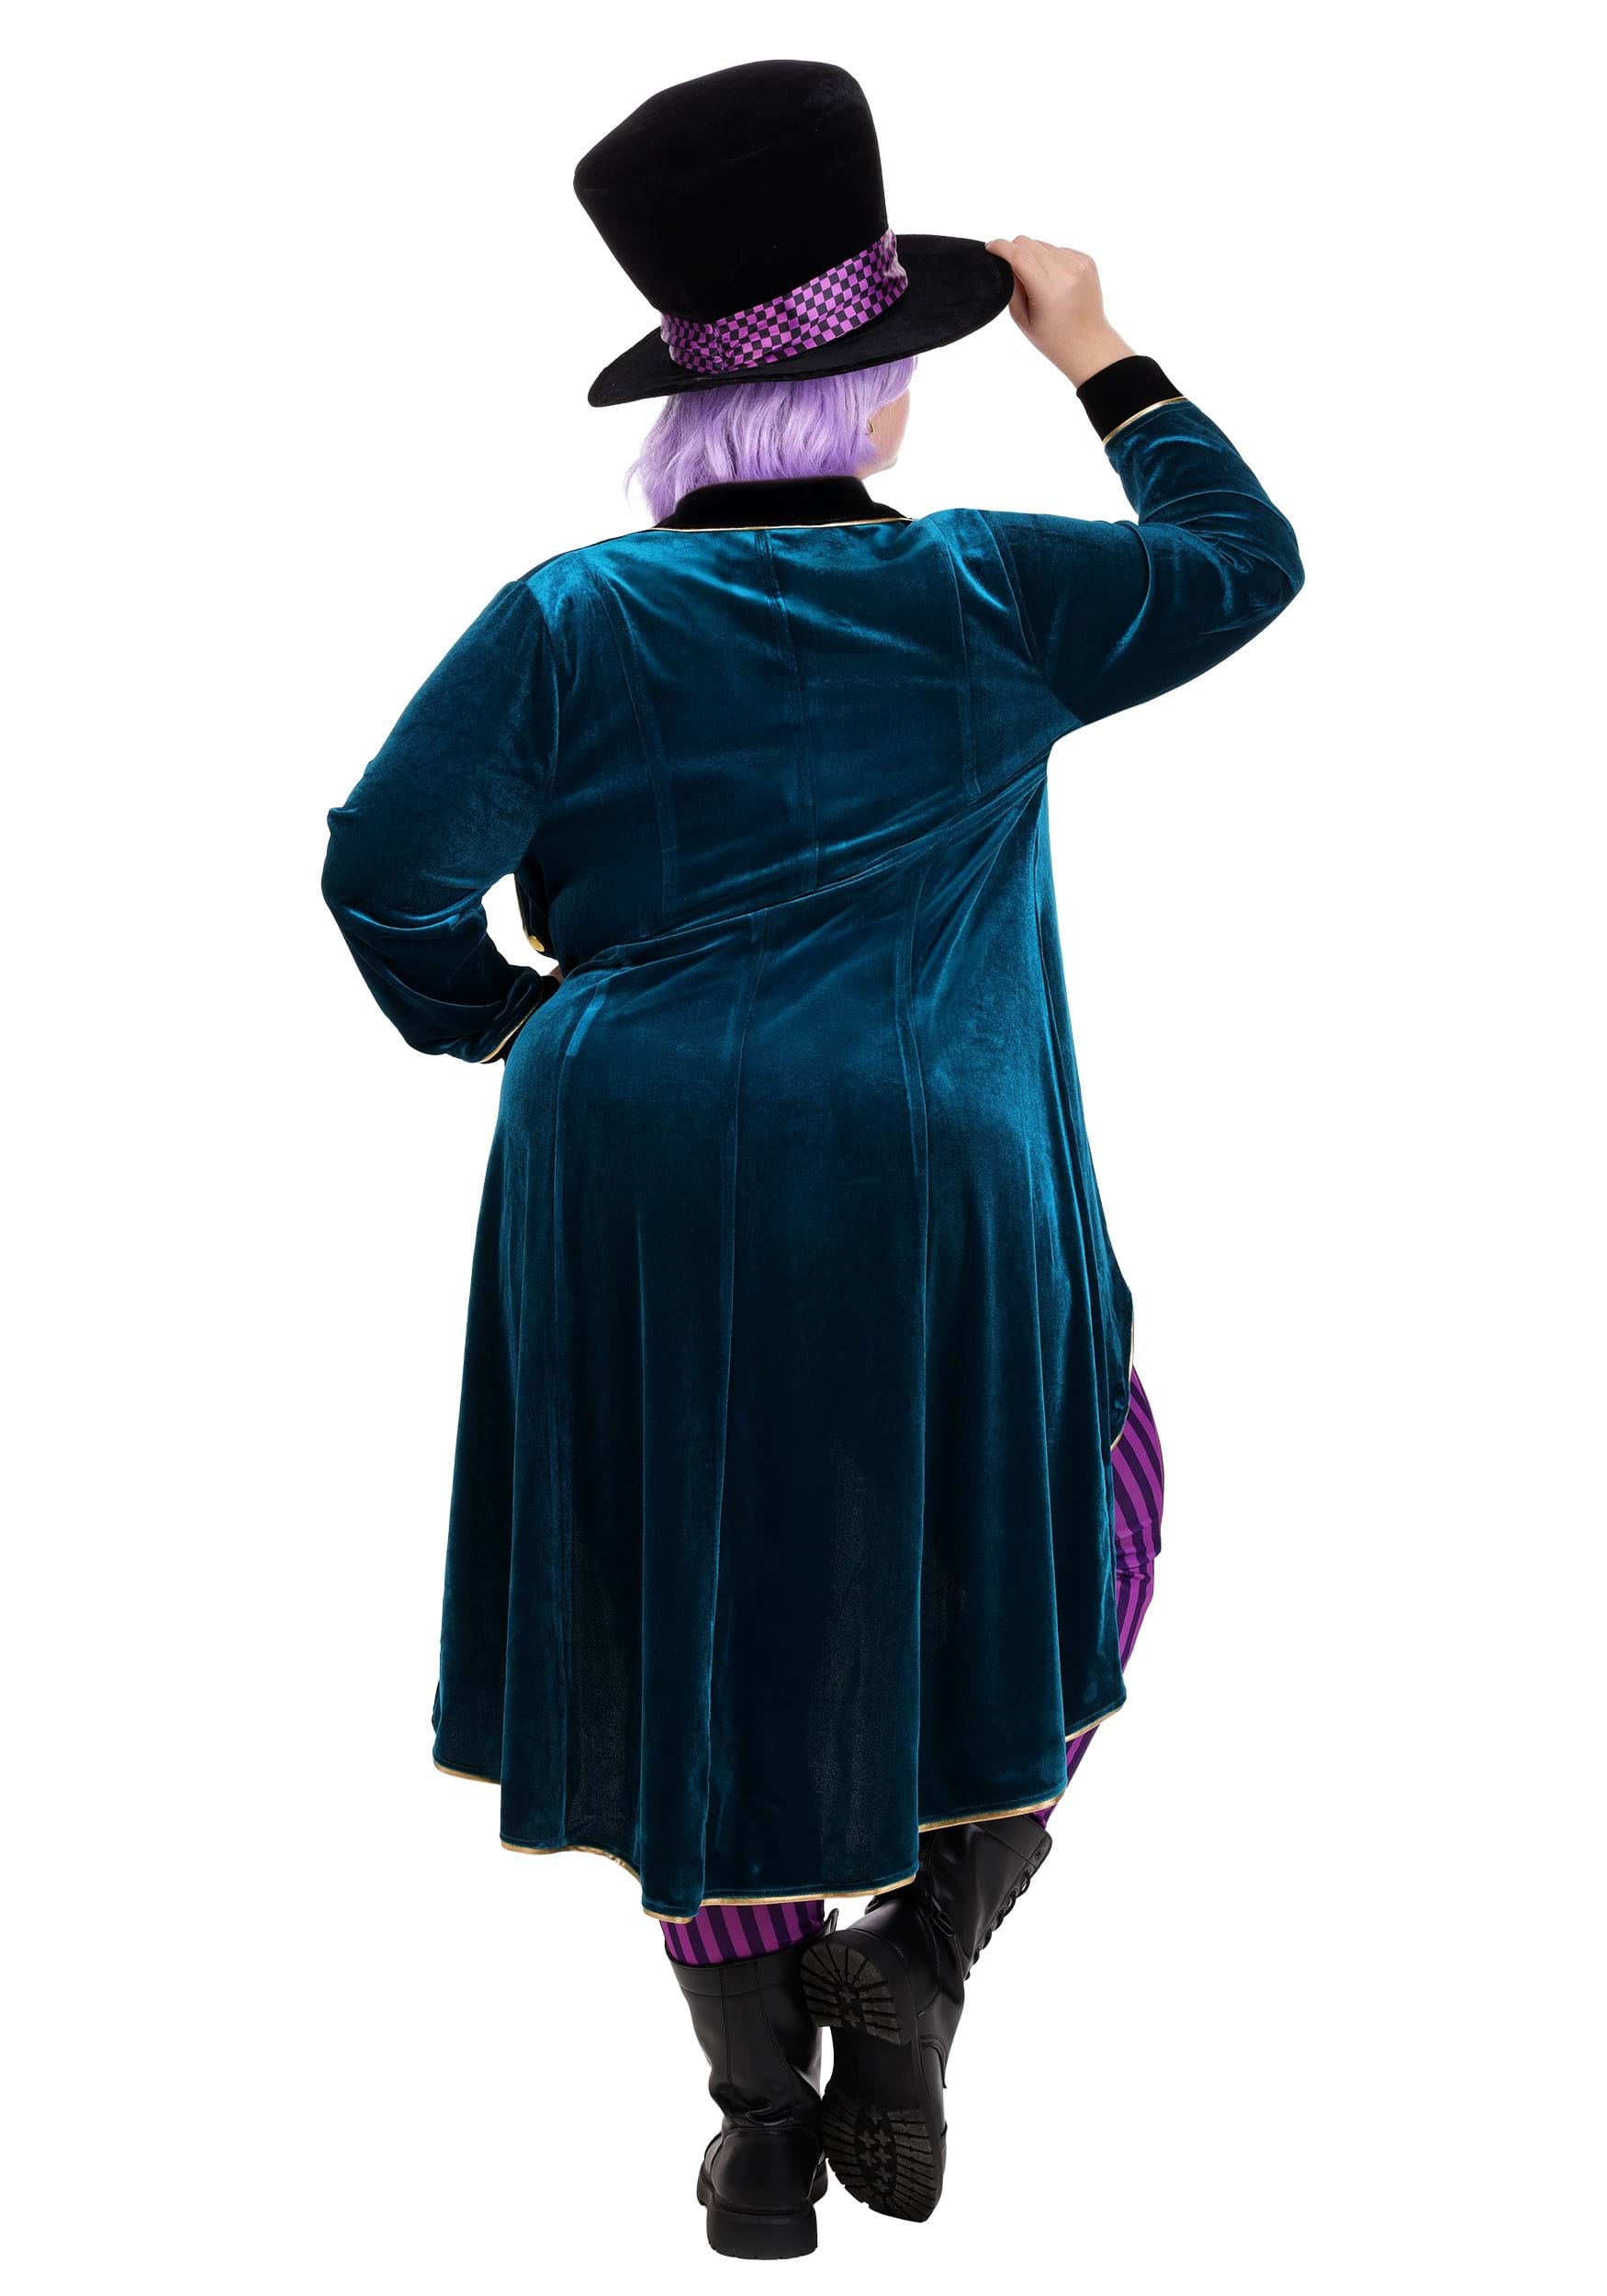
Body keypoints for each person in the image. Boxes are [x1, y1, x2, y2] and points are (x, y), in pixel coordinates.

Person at [322, 58, 1301, 2262]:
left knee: (699, 1592)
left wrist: (516, 1019)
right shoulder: (987, 590)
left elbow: (384, 872)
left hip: (633, 1166)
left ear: (686, 395)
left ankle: (762, 2126)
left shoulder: (569, 615)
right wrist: (1095, 346)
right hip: (925, 1157)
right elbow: (1241, 562)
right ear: (883, 382)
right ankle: (927, 1944)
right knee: (1086, 1491)